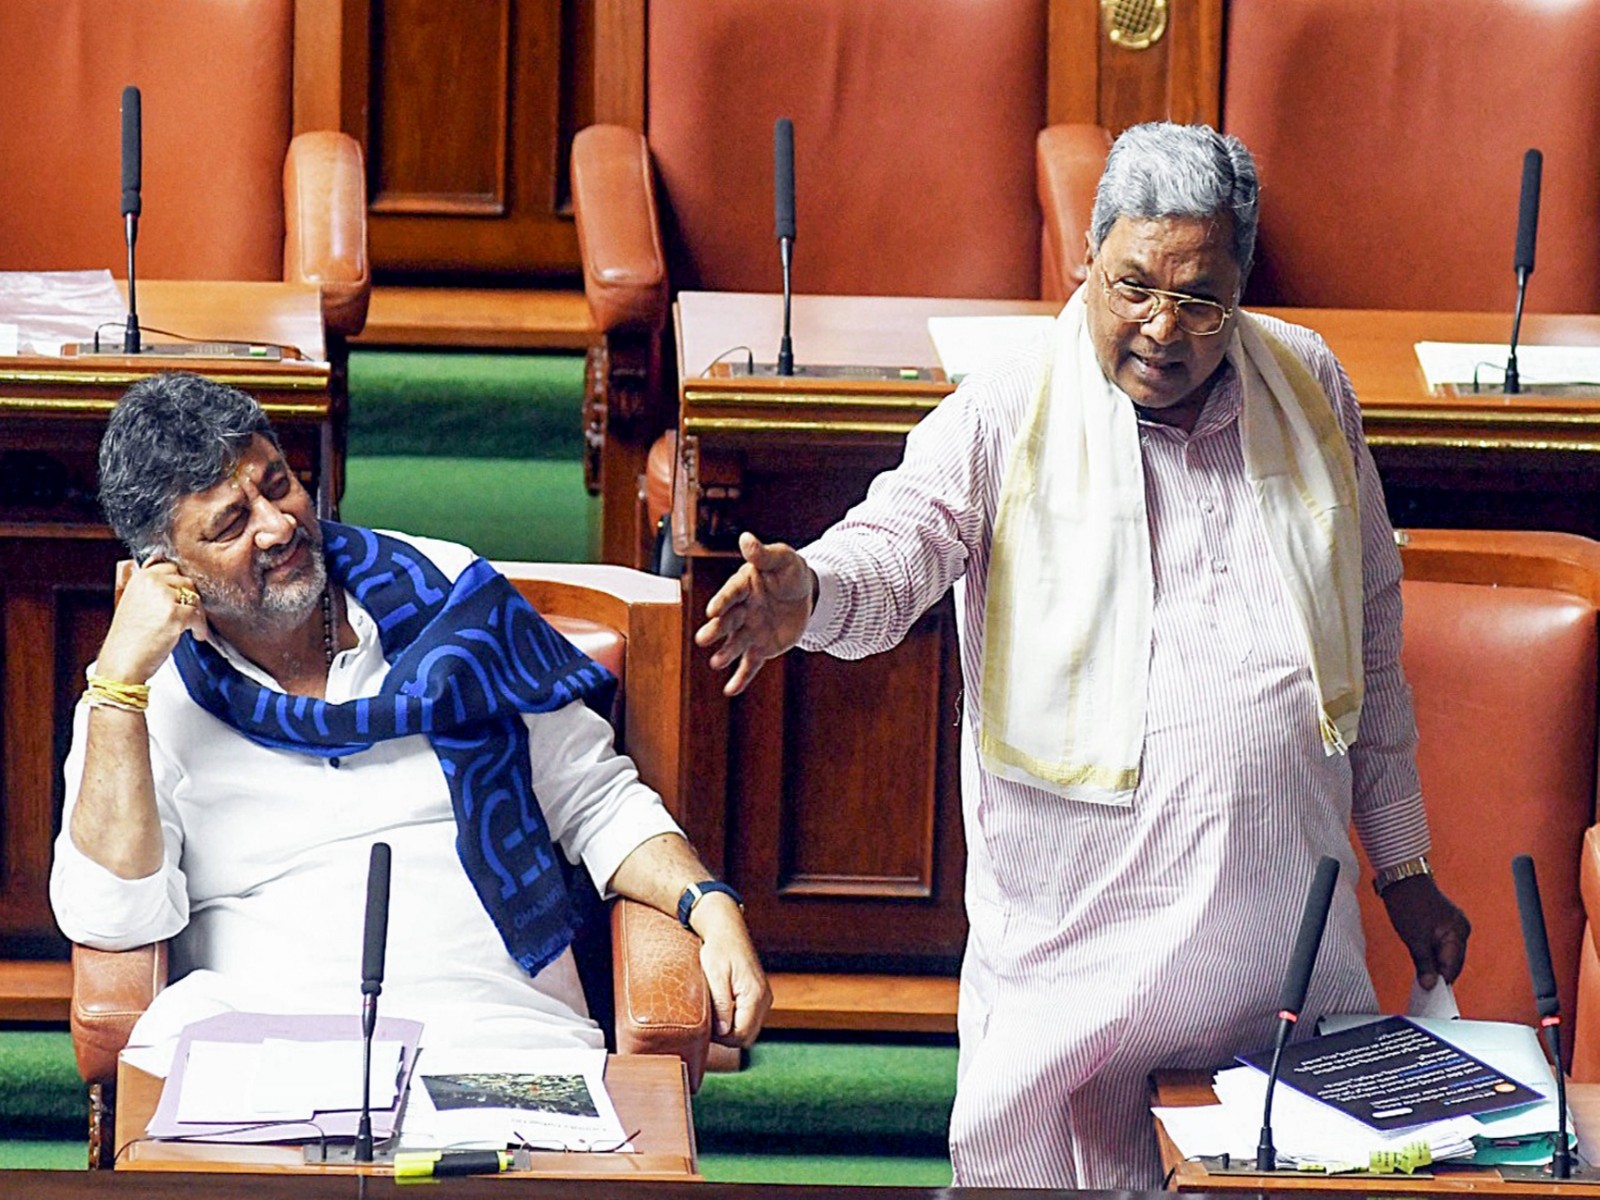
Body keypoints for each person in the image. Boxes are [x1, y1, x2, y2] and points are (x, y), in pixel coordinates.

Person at [694, 122, 1470, 1188]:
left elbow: (1370, 639)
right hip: (1080, 974)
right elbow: (901, 544)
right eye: (1132, 285)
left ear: (1240, 286)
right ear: (1086, 261)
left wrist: (1406, 863)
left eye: (1199, 297)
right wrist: (815, 592)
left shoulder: (1308, 384)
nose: (1163, 326)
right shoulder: (1011, 402)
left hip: (1283, 958)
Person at [52, 371, 770, 1059]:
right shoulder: (146, 691)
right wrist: (116, 690)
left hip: (497, 1030)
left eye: (279, 486)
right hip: (256, 1041)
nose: (277, 527)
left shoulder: (447, 600)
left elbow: (592, 797)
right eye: (232, 523)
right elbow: (116, 919)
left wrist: (708, 904)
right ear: (164, 566)